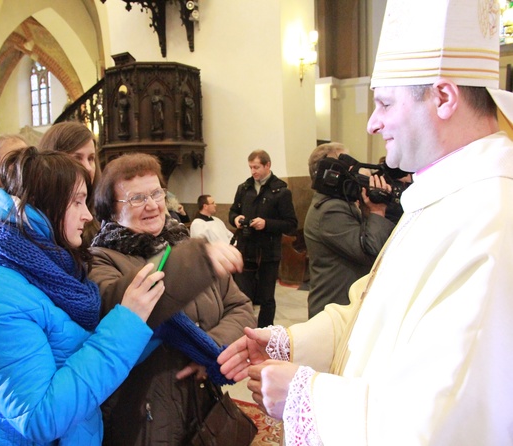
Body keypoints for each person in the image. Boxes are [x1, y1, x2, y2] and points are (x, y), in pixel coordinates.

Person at [217, 1, 513, 444]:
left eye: (385, 103)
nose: (373, 123)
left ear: (444, 97)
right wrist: (290, 344)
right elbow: (367, 312)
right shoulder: (441, 196)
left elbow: (444, 421)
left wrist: (307, 394)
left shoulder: (491, 219)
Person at [0, 147, 166, 444]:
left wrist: (158, 323)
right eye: (76, 202)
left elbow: (75, 352)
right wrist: (127, 321)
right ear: (44, 206)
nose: (88, 215)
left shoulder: (47, 266)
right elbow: (40, 417)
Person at [89, 153, 256, 445]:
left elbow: (239, 306)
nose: (153, 205)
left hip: (203, 403)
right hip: (147, 415)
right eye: (137, 199)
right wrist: (195, 261)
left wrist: (211, 349)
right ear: (112, 211)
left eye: (156, 193)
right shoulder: (101, 260)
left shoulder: (184, 243)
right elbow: (117, 305)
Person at [304, 143, 394, 318]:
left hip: (341, 306)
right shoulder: (330, 210)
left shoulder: (338, 202)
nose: (355, 173)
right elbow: (371, 251)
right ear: (331, 173)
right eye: (349, 167)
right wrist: (377, 210)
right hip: (334, 309)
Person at [229, 149, 298, 328]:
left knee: (267, 297)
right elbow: (233, 211)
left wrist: (266, 224)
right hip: (246, 249)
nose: (253, 171)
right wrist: (235, 219)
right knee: (243, 295)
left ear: (268, 165)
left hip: (268, 252)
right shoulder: (244, 188)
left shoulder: (281, 191)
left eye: (256, 167)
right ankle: (243, 330)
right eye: (251, 167)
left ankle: (265, 332)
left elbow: (291, 224)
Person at [38, 120, 101, 244]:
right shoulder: (41, 220)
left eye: (91, 158)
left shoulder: (102, 212)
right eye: (77, 158)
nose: (88, 167)